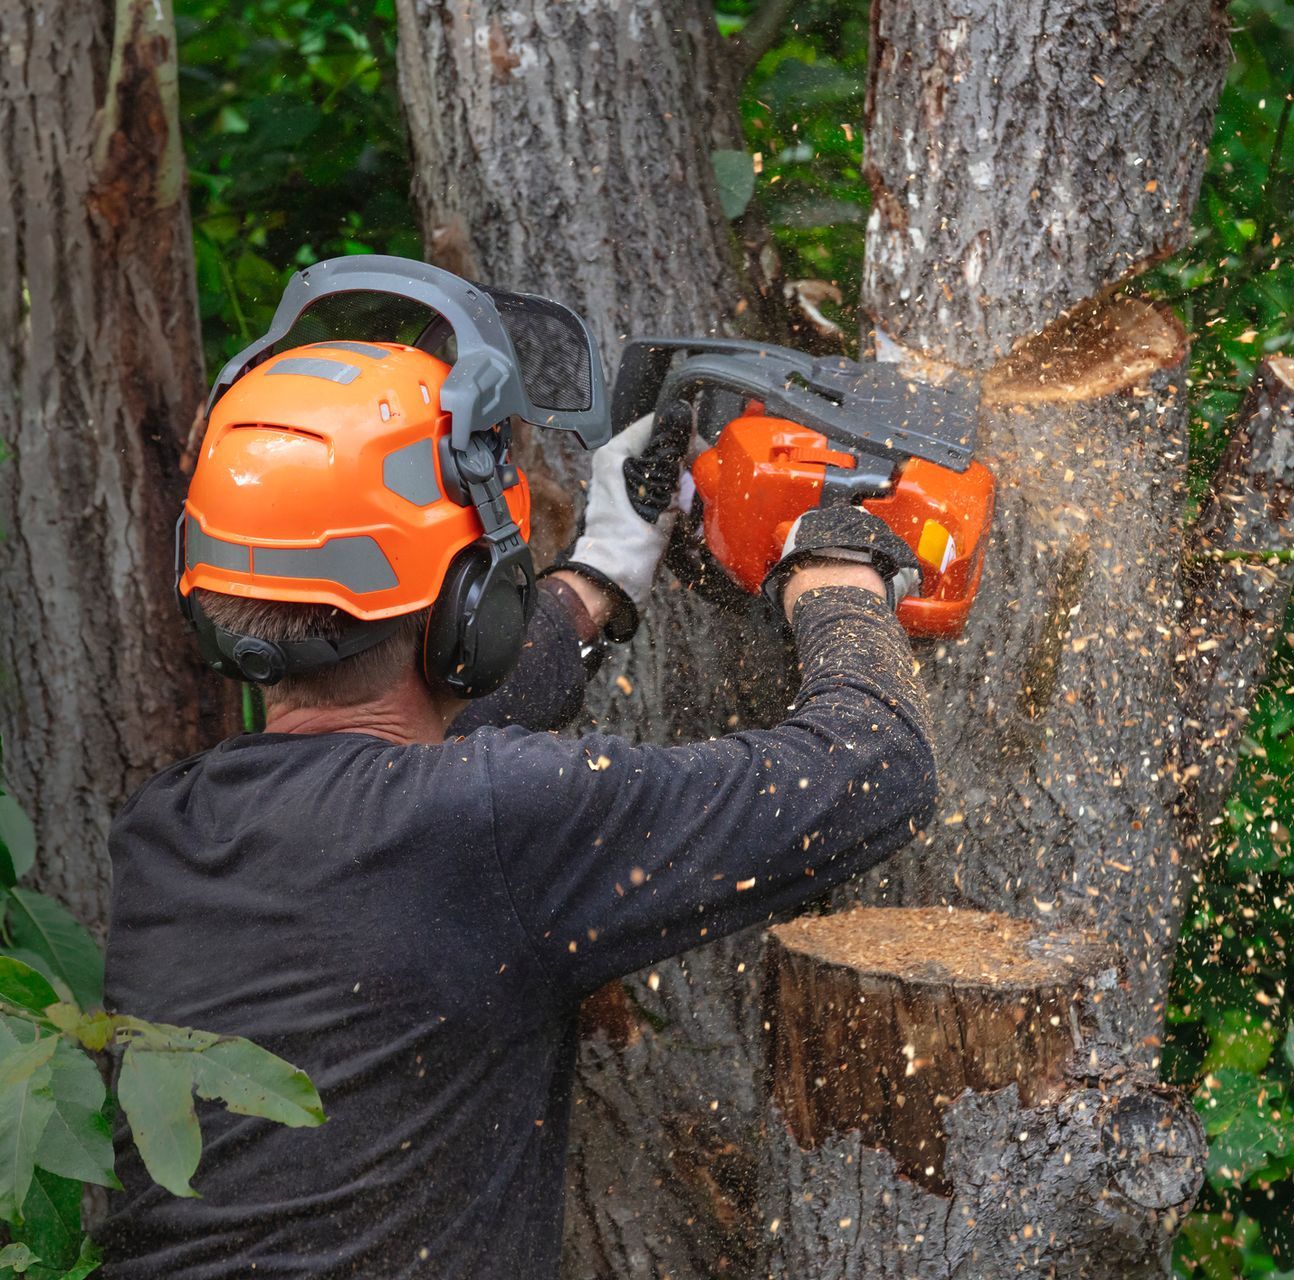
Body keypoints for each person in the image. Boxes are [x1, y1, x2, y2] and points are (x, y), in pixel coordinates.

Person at [100, 332, 937, 1278]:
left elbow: (403, 728)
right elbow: (876, 768)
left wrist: (600, 575)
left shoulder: (168, 829)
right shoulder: (491, 822)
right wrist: (834, 578)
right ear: (471, 600)